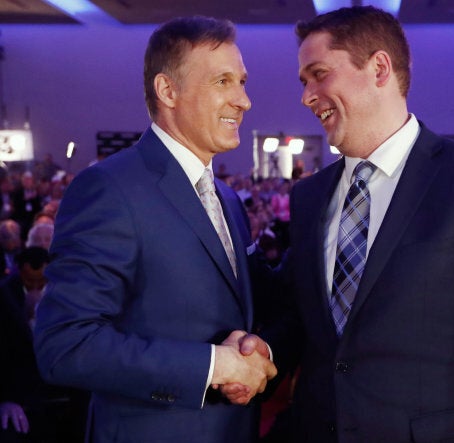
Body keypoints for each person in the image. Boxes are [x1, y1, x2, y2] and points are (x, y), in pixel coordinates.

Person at [229, 6, 454, 442]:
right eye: (304, 81)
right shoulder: (309, 195)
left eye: (318, 74)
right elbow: (303, 317)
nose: (306, 96)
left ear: (378, 68)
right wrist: (263, 350)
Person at [33, 16, 276, 443]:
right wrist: (213, 366)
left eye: (242, 81)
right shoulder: (109, 188)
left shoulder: (228, 199)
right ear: (168, 91)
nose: (244, 100)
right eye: (223, 82)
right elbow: (65, 345)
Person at [0, 247, 89, 443]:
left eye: (41, 282)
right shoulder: (6, 295)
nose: (35, 287)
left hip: (67, 387)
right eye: (29, 281)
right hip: (24, 391)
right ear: (20, 271)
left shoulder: (68, 294)